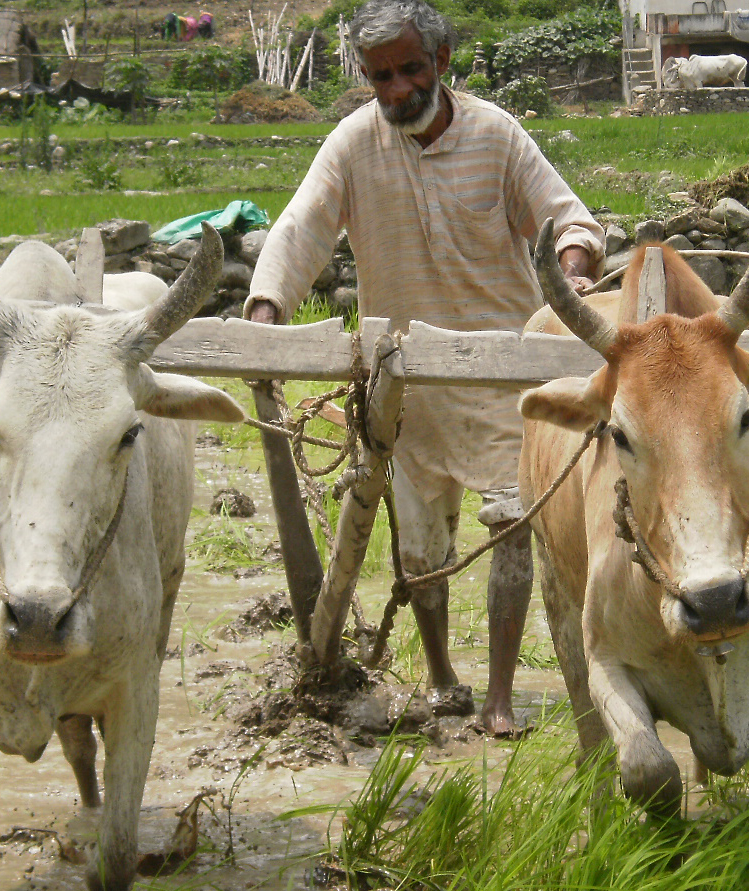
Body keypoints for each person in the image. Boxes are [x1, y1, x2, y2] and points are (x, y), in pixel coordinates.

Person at [245, 0, 602, 736]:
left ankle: (500, 698)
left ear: (441, 62)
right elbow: (301, 226)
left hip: (505, 373)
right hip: (405, 381)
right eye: (381, 76)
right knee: (419, 544)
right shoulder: (352, 146)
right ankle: (442, 677)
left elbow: (567, 216)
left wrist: (575, 271)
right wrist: (265, 311)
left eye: (410, 69)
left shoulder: (497, 136)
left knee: (511, 527)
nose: (397, 89)